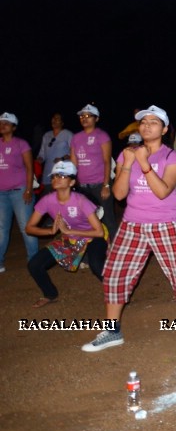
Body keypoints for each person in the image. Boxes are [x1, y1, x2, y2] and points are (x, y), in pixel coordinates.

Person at [82, 105, 176, 353]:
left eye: (153, 122)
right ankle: (112, 331)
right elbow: (119, 194)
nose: (146, 126)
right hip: (132, 223)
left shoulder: (172, 158)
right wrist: (127, 163)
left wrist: (144, 164)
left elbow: (163, 191)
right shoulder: (127, 155)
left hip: (166, 223)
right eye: (143, 122)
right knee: (115, 274)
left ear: (165, 129)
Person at [25, 161, 106, 306]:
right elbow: (29, 228)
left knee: (96, 264)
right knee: (34, 265)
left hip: (92, 236)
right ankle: (50, 294)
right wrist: (50, 231)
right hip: (70, 238)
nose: (57, 179)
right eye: (55, 176)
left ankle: (115, 292)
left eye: (62, 176)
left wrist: (69, 231)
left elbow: (99, 231)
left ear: (72, 181)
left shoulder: (81, 200)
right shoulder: (47, 201)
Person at [0, 112, 39, 272]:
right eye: (1, 122)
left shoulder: (21, 144)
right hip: (1, 193)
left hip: (20, 191)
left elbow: (30, 168)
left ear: (14, 127)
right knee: (2, 228)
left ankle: (34, 262)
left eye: (7, 123)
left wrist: (29, 189)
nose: (3, 125)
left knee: (26, 227)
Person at [71, 104, 116, 239]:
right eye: (82, 116)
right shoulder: (76, 138)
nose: (84, 118)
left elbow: (107, 161)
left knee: (108, 220)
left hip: (99, 185)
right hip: (82, 187)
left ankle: (114, 251)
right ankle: (91, 254)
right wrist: (72, 184)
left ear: (96, 119)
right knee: (86, 221)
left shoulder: (102, 136)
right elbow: (74, 163)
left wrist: (106, 185)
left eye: (88, 116)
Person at [36, 112, 73, 188]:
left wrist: (62, 158)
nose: (54, 120)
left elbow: (74, 153)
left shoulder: (68, 134)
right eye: (53, 118)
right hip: (48, 173)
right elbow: (42, 153)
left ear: (62, 123)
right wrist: (40, 159)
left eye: (57, 118)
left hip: (63, 173)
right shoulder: (46, 135)